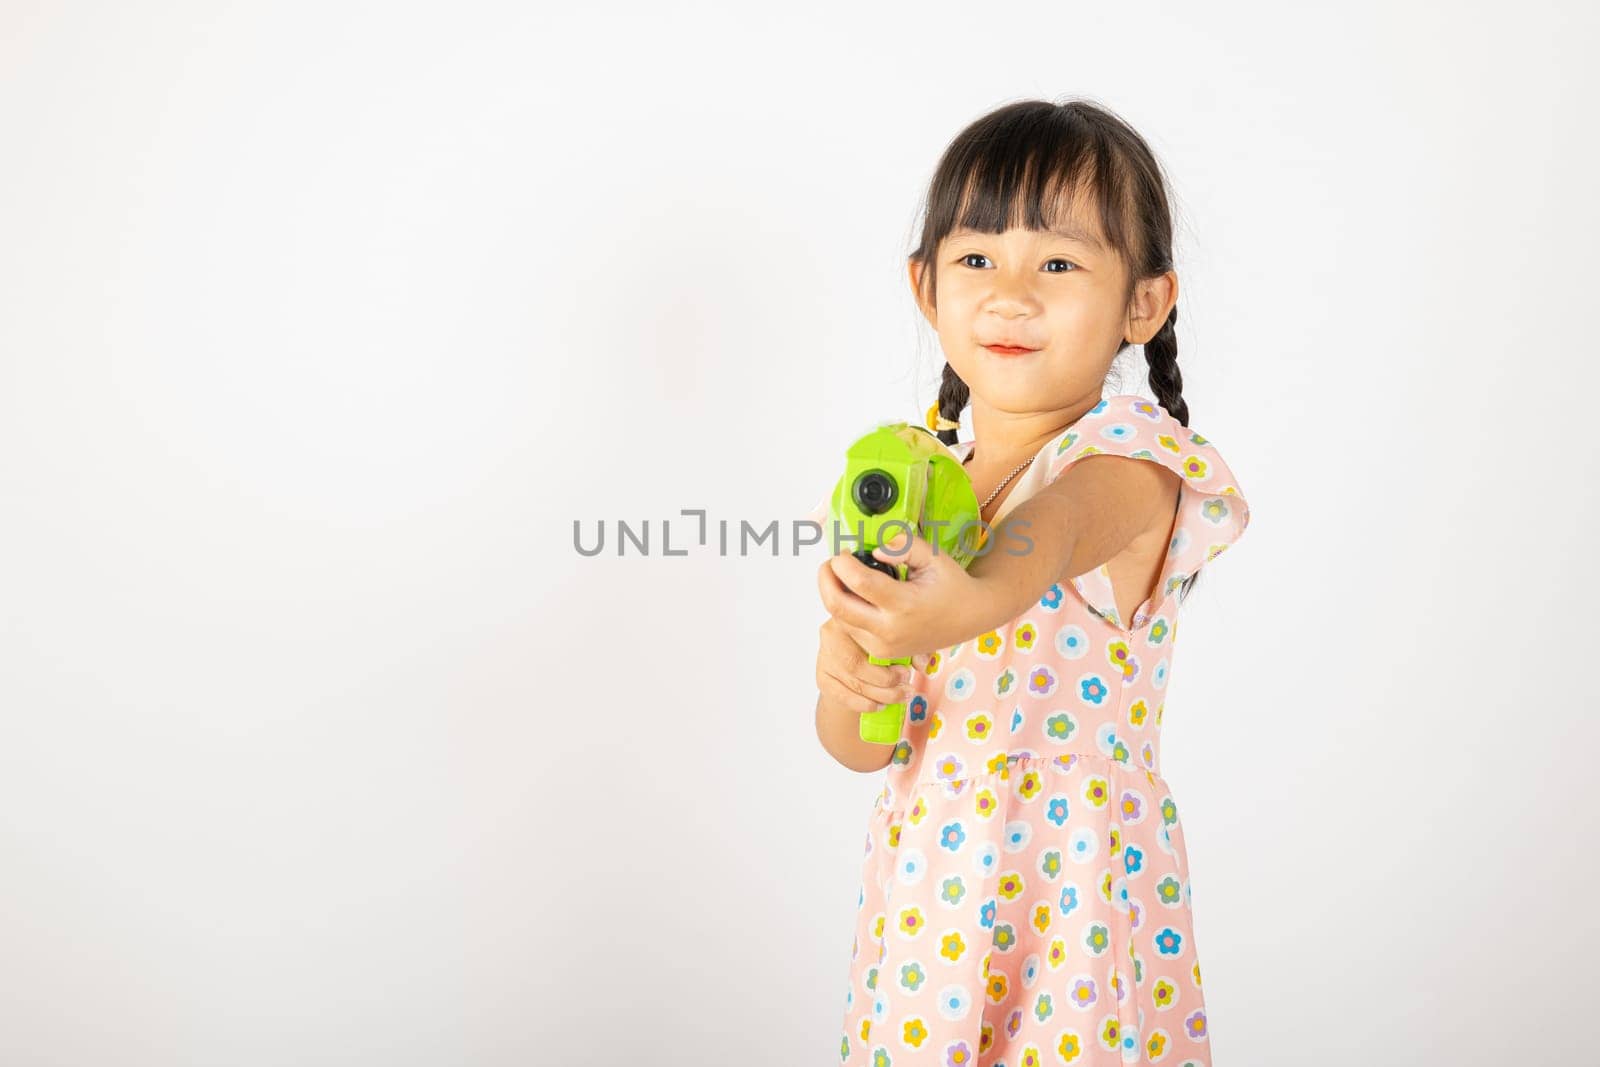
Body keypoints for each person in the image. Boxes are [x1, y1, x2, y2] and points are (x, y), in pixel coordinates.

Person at [813, 98, 1252, 1066]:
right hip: (929, 890)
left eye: (1057, 263)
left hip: (1072, 890)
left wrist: (952, 603)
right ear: (925, 288)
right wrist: (848, 671)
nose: (1010, 294)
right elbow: (859, 748)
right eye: (977, 260)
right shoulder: (921, 482)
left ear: (1142, 302)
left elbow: (1040, 548)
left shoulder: (1132, 460)